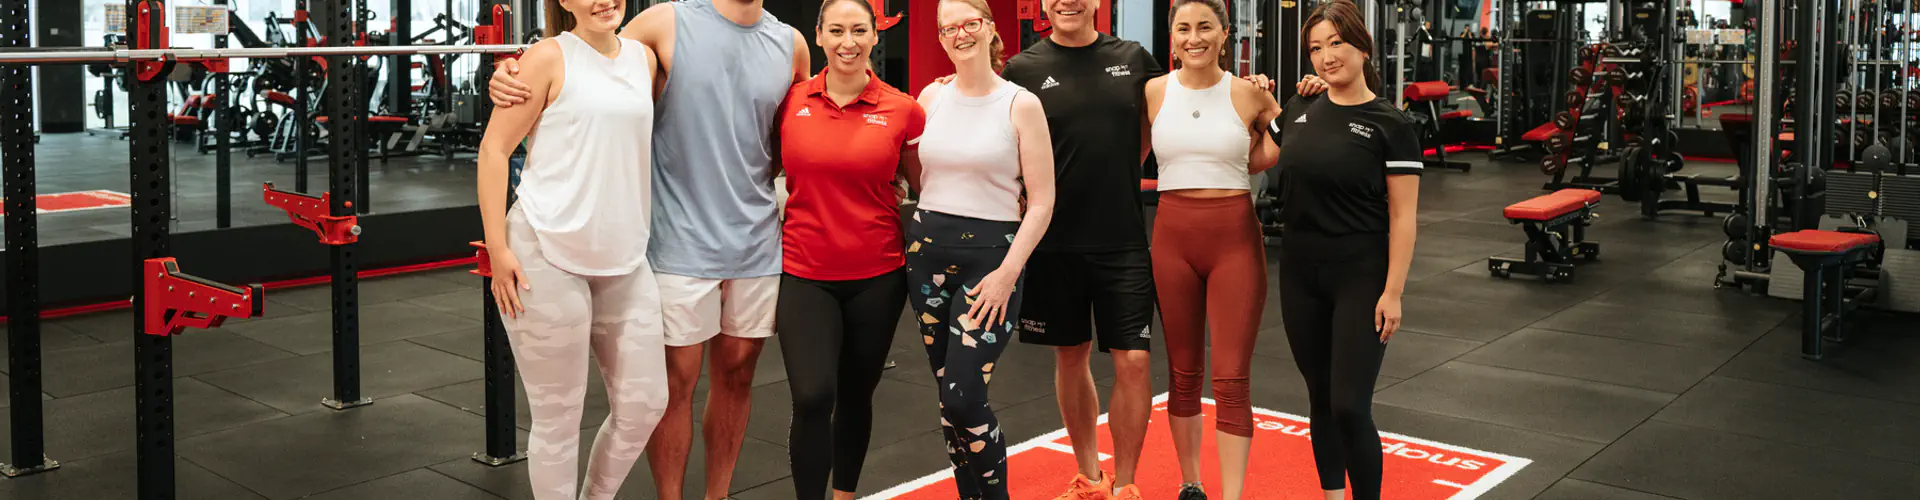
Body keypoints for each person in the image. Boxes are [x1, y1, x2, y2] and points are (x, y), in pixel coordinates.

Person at [975, 1, 1324, 497]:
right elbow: (990, 119)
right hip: (1055, 241)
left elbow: (1192, 116)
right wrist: (953, 82)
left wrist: (1269, 95)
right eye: (1184, 28)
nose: (1067, 2)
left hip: (1125, 239)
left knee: (1140, 363)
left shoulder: (1136, 61)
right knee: (1073, 359)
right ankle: (1093, 478)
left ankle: (1128, 485)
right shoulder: (1023, 69)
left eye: (1204, 27)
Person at [488, 0, 809, 498]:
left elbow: (802, 122)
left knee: (674, 396)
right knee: (578, 411)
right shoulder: (653, 27)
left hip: (676, 247)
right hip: (595, 243)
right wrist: (513, 71)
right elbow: (580, 60)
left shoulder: (780, 45)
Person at [475, 1, 666, 498]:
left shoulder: (644, 58)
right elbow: (494, 150)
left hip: (624, 254)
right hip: (544, 250)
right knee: (558, 417)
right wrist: (498, 248)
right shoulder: (545, 58)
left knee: (645, 405)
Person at [773, 1, 926, 499]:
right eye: (836, 30)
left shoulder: (903, 109)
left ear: (875, 35)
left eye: (859, 30)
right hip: (805, 272)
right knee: (813, 396)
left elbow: (926, 185)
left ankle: (845, 495)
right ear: (818, 35)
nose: (848, 42)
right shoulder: (790, 102)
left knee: (857, 396)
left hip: (877, 276)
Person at [1270, 1, 1421, 499]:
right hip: (1299, 272)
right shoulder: (1299, 107)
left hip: (1360, 273)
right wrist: (1255, 97)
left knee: (1350, 406)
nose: (1327, 56)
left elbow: (1403, 216)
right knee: (1320, 399)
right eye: (1316, 48)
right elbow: (1255, 155)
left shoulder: (1391, 124)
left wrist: (1393, 292)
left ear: (1363, 47)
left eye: (1336, 43)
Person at [908, 1, 1054, 497]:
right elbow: (916, 175)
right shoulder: (931, 97)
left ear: (990, 29)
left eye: (970, 23)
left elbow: (1042, 201)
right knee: (948, 400)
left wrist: (1008, 274)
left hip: (992, 263)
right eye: (949, 28)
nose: (960, 34)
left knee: (964, 397)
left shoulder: (1020, 104)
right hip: (927, 258)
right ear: (941, 38)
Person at [1142, 1, 1283, 499]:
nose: (1194, 37)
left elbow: (1275, 149)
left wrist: (1286, 103)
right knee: (1182, 374)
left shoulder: (1249, 93)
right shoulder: (1153, 91)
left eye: (1205, 27)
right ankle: (1191, 485)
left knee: (1230, 379)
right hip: (1172, 240)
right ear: (1172, 37)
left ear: (1226, 34)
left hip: (1233, 240)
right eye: (1183, 28)